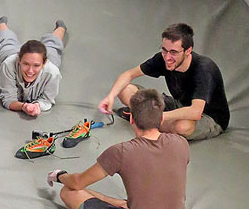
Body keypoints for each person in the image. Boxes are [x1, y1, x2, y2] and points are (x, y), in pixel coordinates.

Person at [48, 89, 189, 209]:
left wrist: (60, 176)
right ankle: (123, 205)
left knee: (69, 192)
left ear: (131, 119)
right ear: (162, 118)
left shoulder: (121, 152)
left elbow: (78, 182)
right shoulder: (181, 143)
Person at [98, 23, 229, 141]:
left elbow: (195, 111)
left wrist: (158, 115)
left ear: (188, 51)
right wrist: (111, 96)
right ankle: (146, 119)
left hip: (209, 118)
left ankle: (143, 119)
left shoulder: (204, 68)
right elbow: (129, 74)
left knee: (182, 127)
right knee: (125, 90)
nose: (167, 57)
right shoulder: (163, 58)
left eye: (173, 52)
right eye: (164, 50)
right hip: (179, 105)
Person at [0, 16, 65, 116]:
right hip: (10, 54)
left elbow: (47, 100)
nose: (30, 71)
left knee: (52, 46)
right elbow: (8, 99)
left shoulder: (52, 72)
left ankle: (61, 28)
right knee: (7, 43)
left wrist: (37, 106)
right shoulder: (8, 64)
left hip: (48, 60)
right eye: (26, 64)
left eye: (36, 65)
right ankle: (1, 24)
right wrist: (23, 106)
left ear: (44, 63)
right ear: (19, 59)